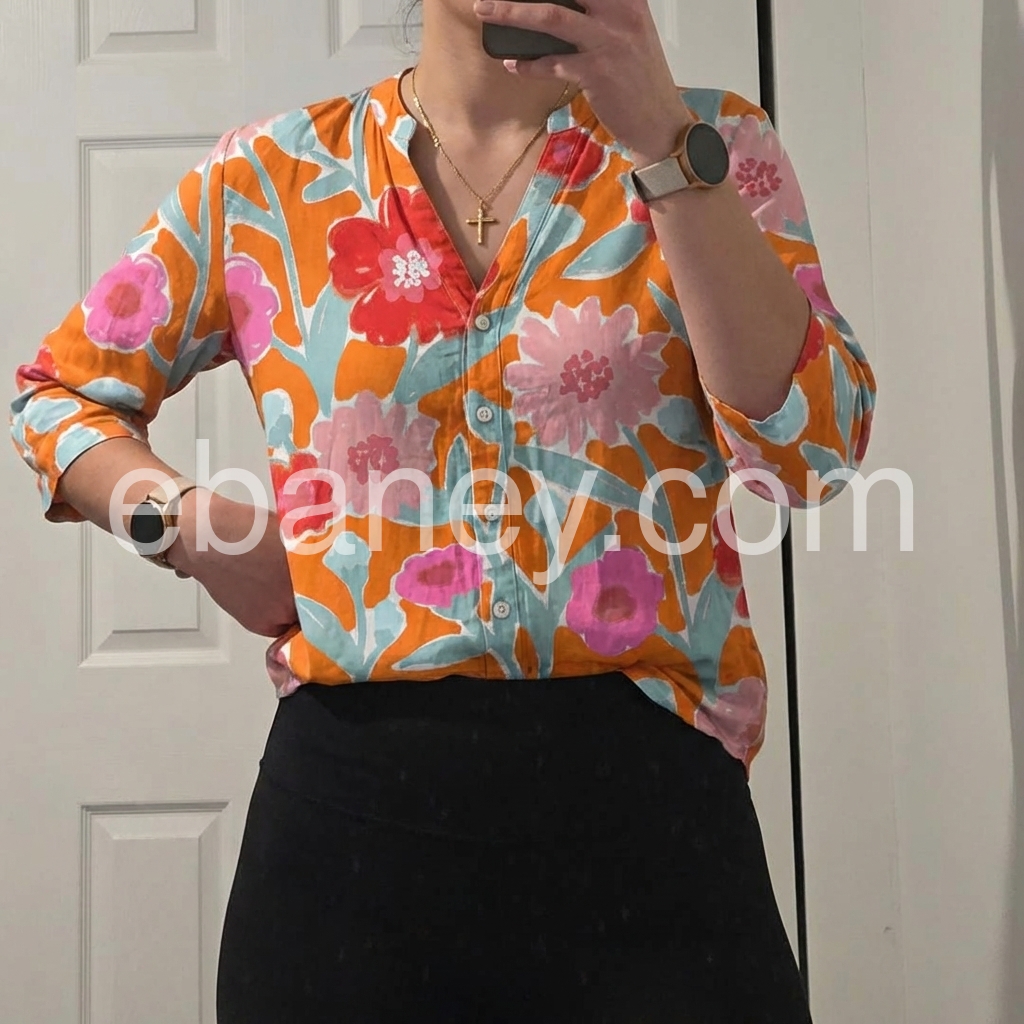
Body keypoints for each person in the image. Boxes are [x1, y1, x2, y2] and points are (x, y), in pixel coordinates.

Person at [10, 0, 875, 1019]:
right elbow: (56, 396)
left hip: (656, 832)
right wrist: (189, 527)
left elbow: (810, 453)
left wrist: (662, 145)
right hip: (351, 844)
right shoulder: (270, 177)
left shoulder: (714, 143)